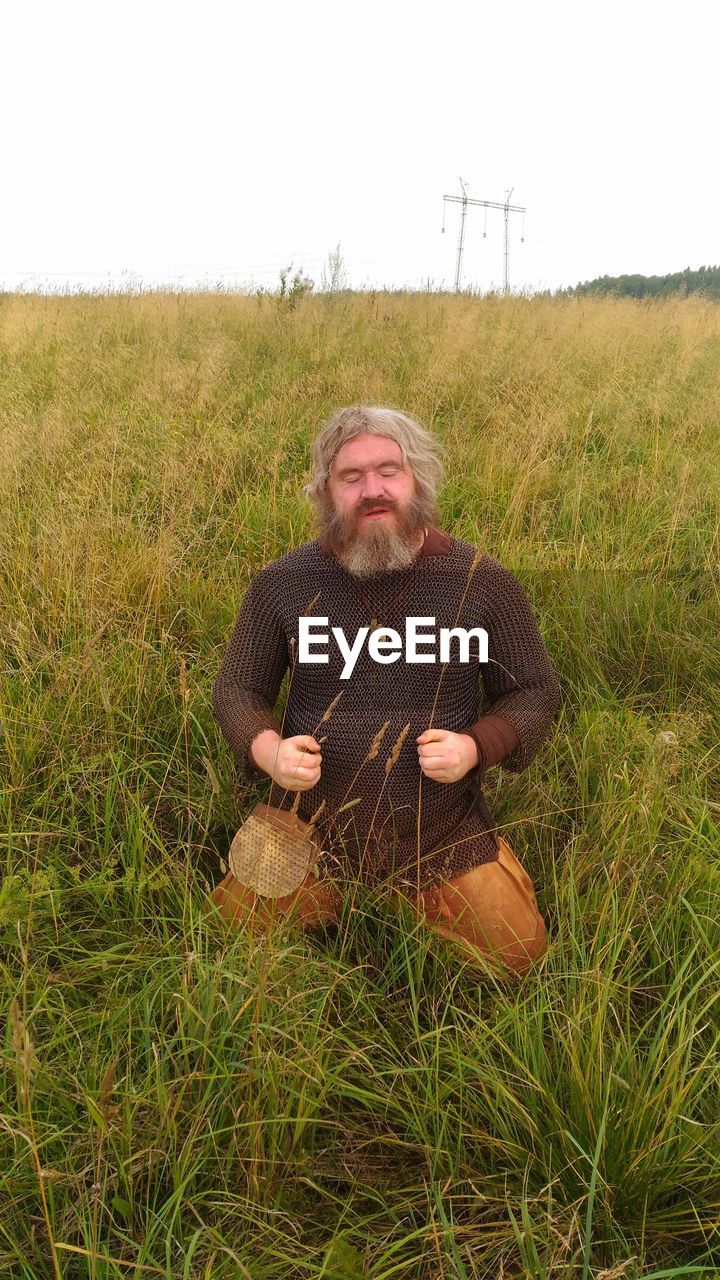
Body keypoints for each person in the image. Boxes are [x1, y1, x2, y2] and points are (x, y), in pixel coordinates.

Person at [209, 405, 560, 976]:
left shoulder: (481, 582)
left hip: (442, 834)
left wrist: (475, 747)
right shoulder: (282, 584)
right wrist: (268, 750)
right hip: (304, 829)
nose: (373, 490)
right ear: (326, 493)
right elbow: (236, 690)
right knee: (226, 954)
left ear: (416, 478)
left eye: (389, 471)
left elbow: (535, 689)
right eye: (351, 477)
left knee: (518, 961)